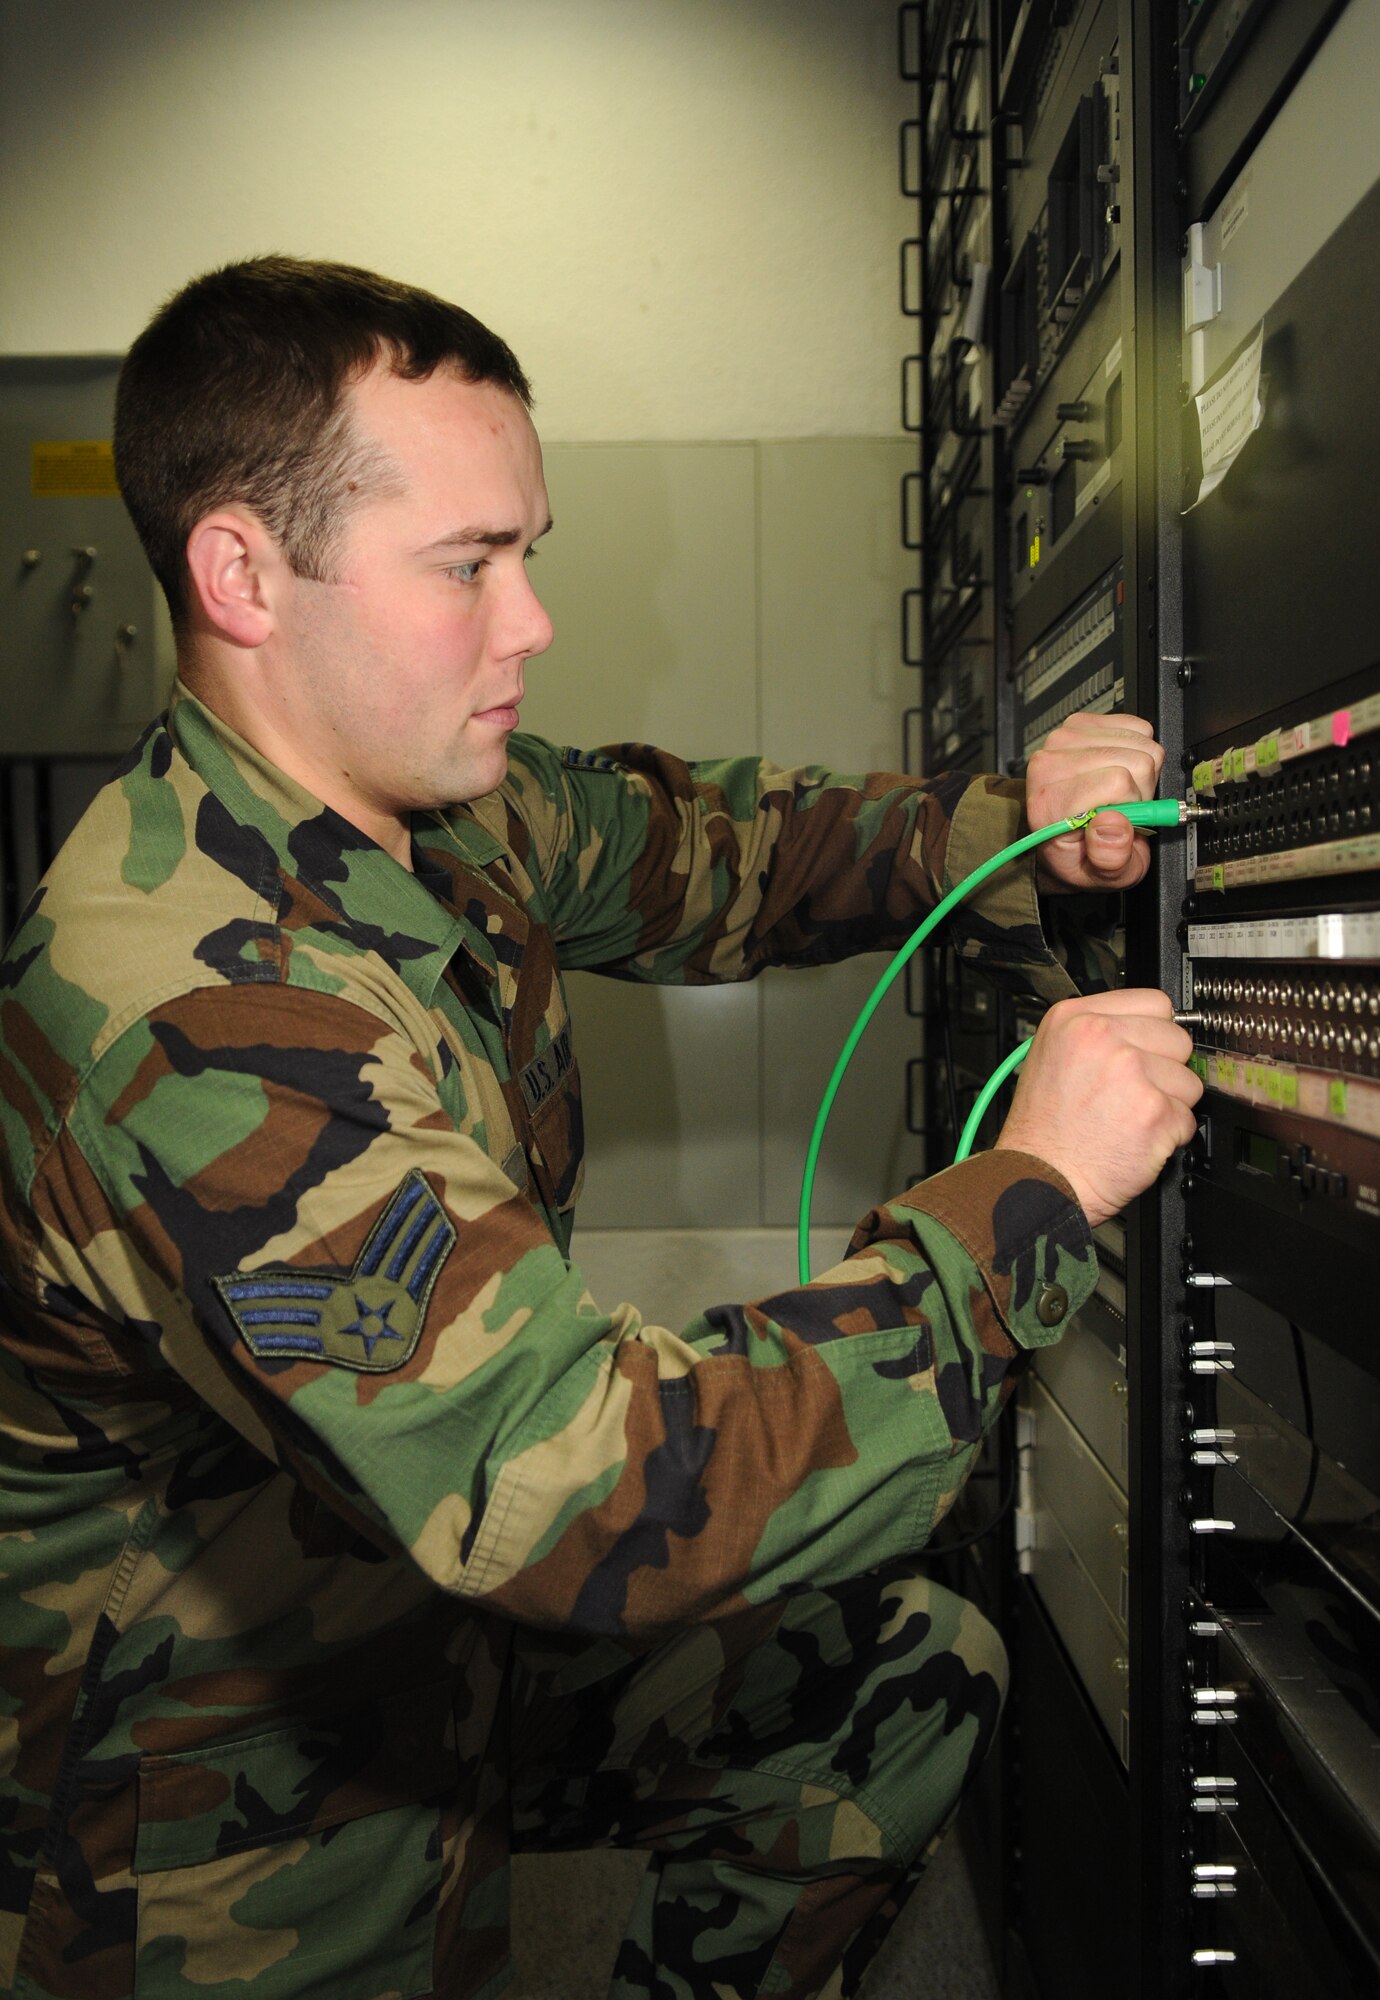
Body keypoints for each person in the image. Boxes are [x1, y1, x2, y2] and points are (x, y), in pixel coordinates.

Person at [0, 257, 1199, 2000]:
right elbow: (586, 1491)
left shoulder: (429, 810)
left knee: (901, 1668)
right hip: (227, 1791)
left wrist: (1018, 824)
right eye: (468, 565)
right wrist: (1027, 1190)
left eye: (529, 552)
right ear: (243, 572)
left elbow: (729, 850)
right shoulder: (189, 1013)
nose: (531, 620)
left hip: (435, 1624)